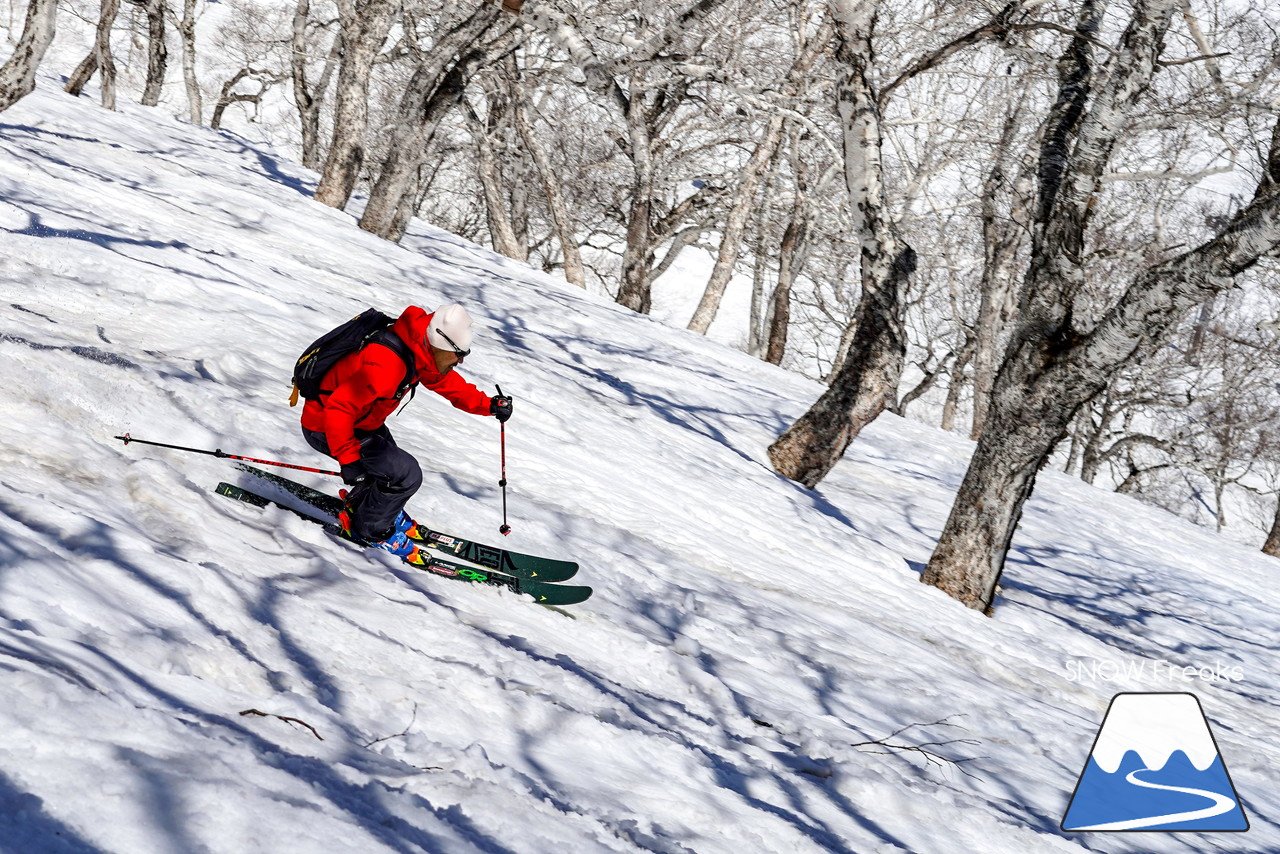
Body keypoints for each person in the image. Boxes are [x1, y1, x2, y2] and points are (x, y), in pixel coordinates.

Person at [299, 304, 513, 559]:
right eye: (458, 353)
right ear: (439, 345)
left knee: (389, 472)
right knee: (405, 476)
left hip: (362, 423)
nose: (461, 360)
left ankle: (368, 507)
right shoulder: (386, 365)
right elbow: (339, 407)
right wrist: (349, 459)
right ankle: (369, 529)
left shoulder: (417, 346)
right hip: (328, 427)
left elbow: (443, 381)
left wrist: (486, 404)